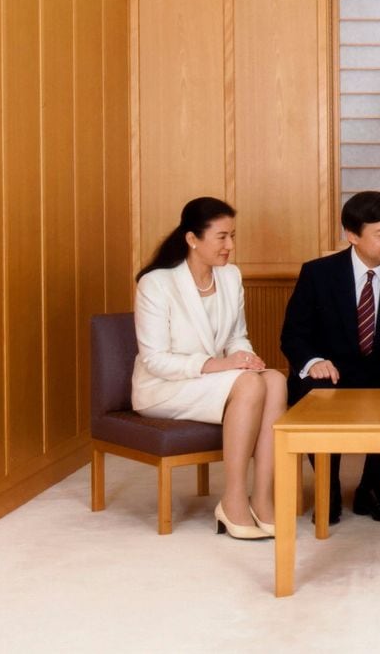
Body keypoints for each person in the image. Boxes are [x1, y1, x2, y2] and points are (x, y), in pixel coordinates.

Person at [132, 197, 286, 540]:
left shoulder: (230, 276)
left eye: (233, 236)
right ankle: (232, 501)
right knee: (249, 386)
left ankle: (261, 498)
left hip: (213, 379)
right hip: (163, 386)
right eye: (221, 237)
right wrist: (223, 365)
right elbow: (155, 359)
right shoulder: (156, 284)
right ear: (192, 238)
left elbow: (236, 336)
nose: (230, 246)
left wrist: (245, 358)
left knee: (274, 380)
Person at [280, 191, 380, 525]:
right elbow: (293, 334)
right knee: (311, 391)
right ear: (352, 236)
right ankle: (328, 486)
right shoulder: (318, 273)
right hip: (332, 370)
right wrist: (313, 361)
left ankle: (371, 487)